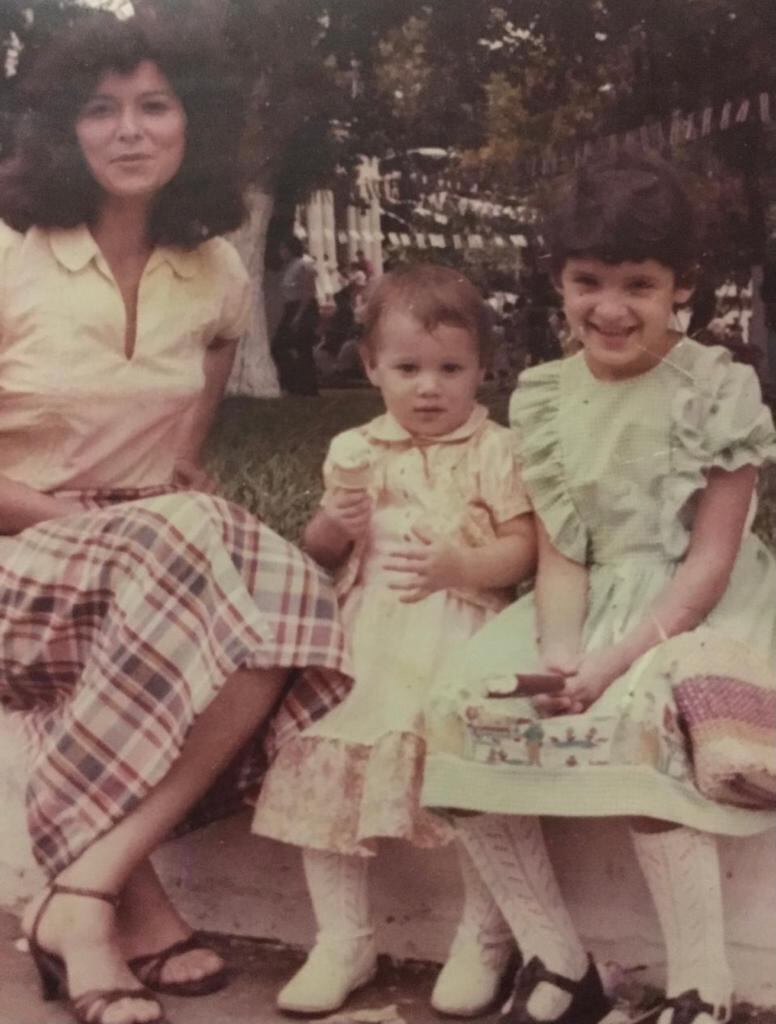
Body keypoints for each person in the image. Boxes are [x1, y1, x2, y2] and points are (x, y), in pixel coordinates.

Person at [0, 16, 351, 1024]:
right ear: (60, 129)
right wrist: (69, 513)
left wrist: (171, 486)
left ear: (193, 122)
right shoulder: (9, 254)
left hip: (145, 554)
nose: (129, 131)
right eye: (99, 109)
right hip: (17, 551)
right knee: (190, 536)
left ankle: (86, 890)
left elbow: (202, 403)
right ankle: (123, 904)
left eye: (155, 106)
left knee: (283, 585)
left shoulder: (215, 273)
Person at [420, 154, 776, 1024]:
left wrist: (612, 664)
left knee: (642, 721)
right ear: (559, 281)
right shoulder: (548, 396)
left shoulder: (715, 388)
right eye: (588, 281)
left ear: (681, 285)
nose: (610, 308)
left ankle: (701, 987)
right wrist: (561, 656)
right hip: (583, 601)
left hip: (692, 612)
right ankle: (557, 960)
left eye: (639, 285)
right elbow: (563, 554)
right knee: (463, 704)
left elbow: (711, 564)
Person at [252, 264, 537, 1017]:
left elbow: (523, 549)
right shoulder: (357, 447)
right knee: (326, 770)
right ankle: (343, 939)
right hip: (369, 639)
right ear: (371, 366)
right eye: (408, 369)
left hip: (459, 633)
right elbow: (321, 549)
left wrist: (462, 566)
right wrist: (332, 525)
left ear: (483, 368)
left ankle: (485, 936)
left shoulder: (496, 450)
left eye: (451, 369)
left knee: (469, 782)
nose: (428, 388)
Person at [270, 236, 320, 396]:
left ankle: (306, 387)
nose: (281, 252)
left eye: (283, 249)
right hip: (291, 307)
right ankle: (295, 384)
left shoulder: (303, 266)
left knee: (301, 347)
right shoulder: (288, 267)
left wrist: (299, 315)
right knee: (281, 347)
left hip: (302, 307)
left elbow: (308, 292)